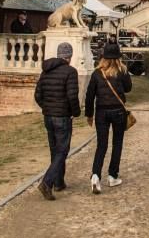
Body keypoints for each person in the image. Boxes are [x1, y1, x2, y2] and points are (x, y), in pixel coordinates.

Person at [34, 42, 81, 200]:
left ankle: (59, 182)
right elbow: (72, 96)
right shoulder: (70, 72)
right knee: (62, 150)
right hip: (62, 116)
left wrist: (46, 107)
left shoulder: (46, 71)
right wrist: (75, 112)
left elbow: (38, 95)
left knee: (55, 150)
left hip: (48, 115)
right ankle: (47, 182)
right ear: (69, 56)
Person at [85, 42, 132, 194]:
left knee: (101, 145)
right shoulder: (122, 71)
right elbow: (128, 88)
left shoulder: (97, 73)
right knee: (117, 143)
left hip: (101, 111)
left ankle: (95, 175)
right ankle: (112, 175)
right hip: (118, 110)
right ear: (118, 57)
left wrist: (89, 114)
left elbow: (89, 95)